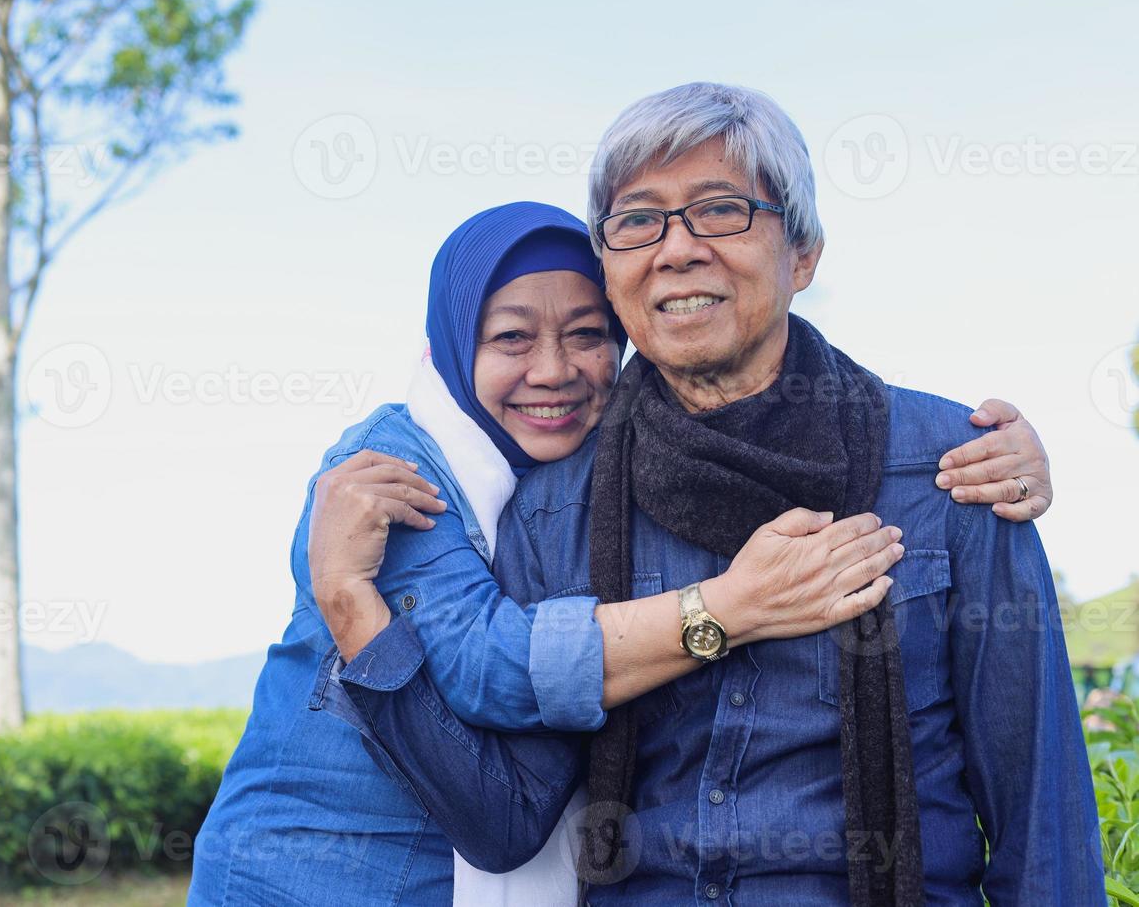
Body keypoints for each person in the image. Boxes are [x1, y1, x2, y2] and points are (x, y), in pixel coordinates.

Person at [322, 82, 1098, 906]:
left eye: (722, 209)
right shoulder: (557, 506)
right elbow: (502, 819)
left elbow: (1040, 815)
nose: (678, 248)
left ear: (802, 253)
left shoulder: (952, 470)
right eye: (638, 220)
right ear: (612, 269)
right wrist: (352, 608)